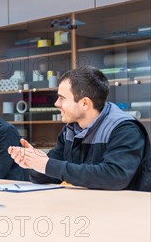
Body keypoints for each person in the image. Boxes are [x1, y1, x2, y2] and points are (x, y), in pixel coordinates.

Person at [8, 66, 151, 191]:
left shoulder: (124, 129)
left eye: (62, 98)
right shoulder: (70, 130)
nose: (56, 103)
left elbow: (115, 176)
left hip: (126, 213)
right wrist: (35, 163)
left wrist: (48, 165)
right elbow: (51, 174)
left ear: (84, 103)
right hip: (88, 206)